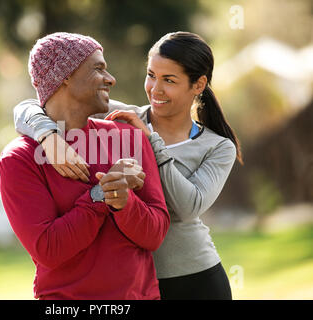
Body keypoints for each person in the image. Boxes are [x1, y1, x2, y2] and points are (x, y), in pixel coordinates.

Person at [13, 31, 242, 300]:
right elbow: (35, 103)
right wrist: (47, 136)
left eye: (169, 80)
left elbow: (187, 206)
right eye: (151, 75)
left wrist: (151, 142)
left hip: (195, 278)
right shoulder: (121, 117)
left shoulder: (218, 146)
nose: (155, 89)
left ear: (198, 84)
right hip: (137, 284)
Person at [0, 32, 170, 300]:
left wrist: (126, 203)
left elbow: (155, 235)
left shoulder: (128, 137)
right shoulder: (19, 158)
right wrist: (101, 195)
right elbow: (49, 250)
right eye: (98, 68)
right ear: (64, 76)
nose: (111, 79)